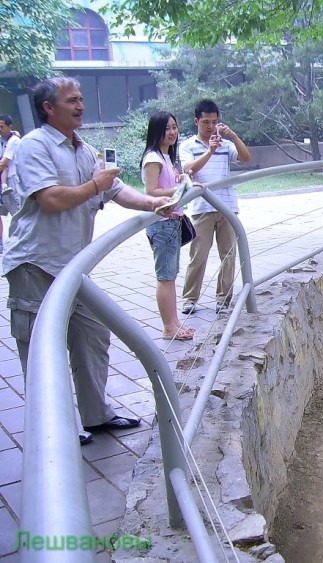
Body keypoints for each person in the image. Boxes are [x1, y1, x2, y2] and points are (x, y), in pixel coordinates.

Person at [2, 77, 173, 443]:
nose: (81, 105)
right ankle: (53, 429)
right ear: (49, 108)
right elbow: (51, 199)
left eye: (81, 99)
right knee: (41, 349)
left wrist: (155, 204)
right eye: (72, 100)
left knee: (93, 334)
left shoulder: (83, 148)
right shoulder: (34, 147)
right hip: (35, 264)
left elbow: (116, 189)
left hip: (74, 268)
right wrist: (96, 186)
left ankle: (96, 414)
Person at [179, 99, 251, 315]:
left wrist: (234, 136)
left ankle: (223, 298)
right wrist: (209, 151)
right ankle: (190, 298)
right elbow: (188, 169)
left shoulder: (226, 144)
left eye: (214, 122)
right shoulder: (187, 145)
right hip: (201, 207)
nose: (210, 126)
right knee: (199, 254)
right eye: (205, 122)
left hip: (227, 206)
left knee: (228, 254)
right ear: (196, 121)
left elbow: (246, 158)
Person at [141, 111, 196, 341]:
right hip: (162, 224)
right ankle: (168, 327)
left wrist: (185, 181)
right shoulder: (153, 158)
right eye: (167, 128)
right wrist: (179, 188)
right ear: (156, 131)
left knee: (171, 276)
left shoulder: (165, 157)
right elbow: (151, 192)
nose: (172, 132)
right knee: (165, 277)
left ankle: (174, 323)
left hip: (172, 223)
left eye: (174, 127)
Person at [0, 114, 21, 253]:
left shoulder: (13, 141)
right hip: (6, 181)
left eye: (1, 127)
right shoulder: (4, 142)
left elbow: (4, 163)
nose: (0, 130)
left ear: (10, 127)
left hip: (14, 181)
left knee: (19, 214)